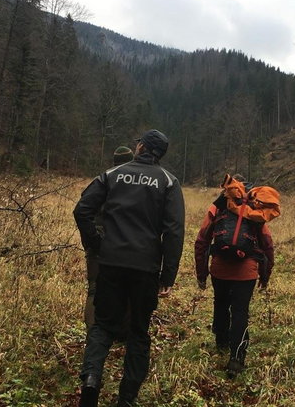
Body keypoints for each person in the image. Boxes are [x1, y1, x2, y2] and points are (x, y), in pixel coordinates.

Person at [73, 129, 185, 407]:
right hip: (145, 268)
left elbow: (82, 210)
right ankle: (127, 398)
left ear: (142, 147)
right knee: (138, 332)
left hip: (110, 262)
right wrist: (167, 274)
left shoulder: (113, 174)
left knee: (103, 326)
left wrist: (97, 244)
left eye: (138, 142)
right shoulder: (169, 182)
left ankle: (90, 381)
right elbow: (174, 231)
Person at [194, 175, 275, 379]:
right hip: (247, 271)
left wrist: (202, 273)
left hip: (219, 268)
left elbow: (202, 240)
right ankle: (236, 358)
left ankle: (221, 341)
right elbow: (268, 245)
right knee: (240, 311)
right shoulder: (254, 211)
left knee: (220, 303)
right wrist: (264, 276)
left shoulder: (217, 207)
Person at [84, 146, 134, 331]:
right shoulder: (134, 185)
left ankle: (93, 331)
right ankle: (123, 332)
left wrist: (92, 240)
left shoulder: (102, 180)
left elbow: (82, 211)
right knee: (127, 289)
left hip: (98, 246)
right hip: (124, 246)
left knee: (95, 289)